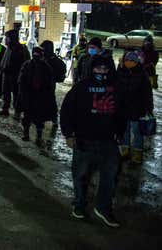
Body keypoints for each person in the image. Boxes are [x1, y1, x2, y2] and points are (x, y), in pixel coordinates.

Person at [60, 55, 126, 228]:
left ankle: (103, 208)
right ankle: (80, 205)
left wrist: (120, 133)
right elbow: (67, 111)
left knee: (109, 177)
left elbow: (121, 112)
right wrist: (68, 134)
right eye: (98, 68)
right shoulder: (81, 87)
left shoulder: (115, 88)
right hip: (84, 140)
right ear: (92, 69)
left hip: (109, 141)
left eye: (105, 69)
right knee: (81, 176)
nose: (102, 72)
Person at [117, 50, 153, 164]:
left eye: (132, 60)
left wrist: (148, 108)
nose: (129, 62)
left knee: (137, 131)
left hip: (137, 109)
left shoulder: (142, 74)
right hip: (123, 108)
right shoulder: (120, 71)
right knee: (124, 130)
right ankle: (125, 151)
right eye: (127, 60)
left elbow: (148, 93)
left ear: (137, 62)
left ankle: (137, 154)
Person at [18, 46, 56, 146]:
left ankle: (38, 137)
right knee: (27, 117)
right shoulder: (27, 65)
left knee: (39, 119)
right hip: (29, 95)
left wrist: (46, 94)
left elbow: (50, 84)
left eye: (38, 54)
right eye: (35, 54)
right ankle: (26, 134)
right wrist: (23, 93)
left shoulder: (46, 67)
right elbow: (21, 80)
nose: (36, 56)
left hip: (40, 97)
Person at [0, 29, 30, 118]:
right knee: (5, 92)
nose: (5, 39)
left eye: (7, 38)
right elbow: (5, 60)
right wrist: (2, 68)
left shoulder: (21, 49)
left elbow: (25, 62)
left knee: (16, 94)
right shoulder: (8, 48)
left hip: (15, 75)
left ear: (12, 38)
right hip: (6, 74)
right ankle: (5, 109)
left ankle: (17, 111)